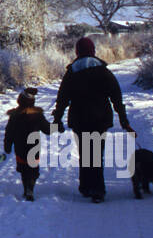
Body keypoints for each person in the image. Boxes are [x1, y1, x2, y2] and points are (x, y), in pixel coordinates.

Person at [52, 37, 133, 203]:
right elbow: (116, 98)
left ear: (77, 52)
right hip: (100, 118)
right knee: (96, 153)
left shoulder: (72, 72)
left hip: (79, 119)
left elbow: (62, 99)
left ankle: (86, 187)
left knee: (85, 153)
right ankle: (98, 190)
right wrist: (124, 121)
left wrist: (57, 119)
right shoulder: (104, 71)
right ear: (93, 51)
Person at [1, 87, 54, 201]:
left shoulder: (14, 115)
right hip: (34, 146)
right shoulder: (37, 115)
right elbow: (47, 129)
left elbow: (9, 131)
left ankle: (26, 189)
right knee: (33, 169)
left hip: (20, 146)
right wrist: (57, 127)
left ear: (20, 100)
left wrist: (7, 145)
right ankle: (31, 188)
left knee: (23, 169)